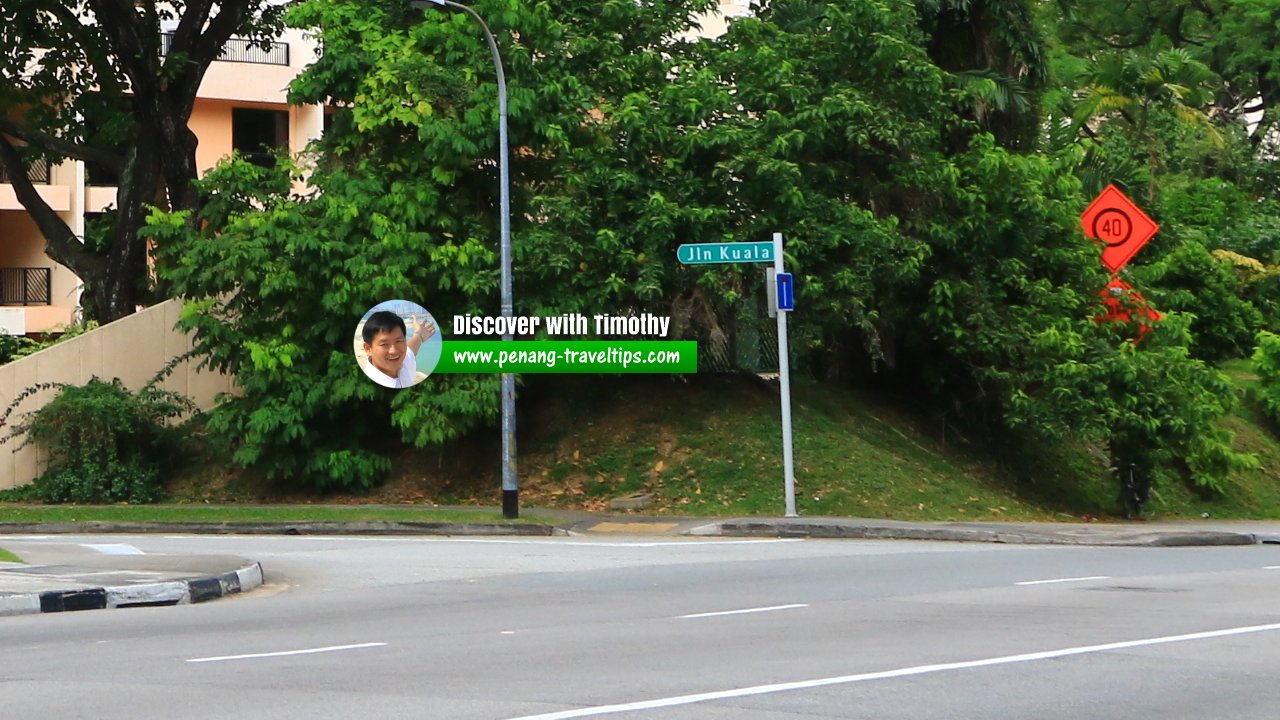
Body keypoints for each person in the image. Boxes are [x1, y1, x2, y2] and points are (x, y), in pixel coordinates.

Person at [360, 310, 437, 388]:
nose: (394, 351)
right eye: (384, 344)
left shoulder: (403, 363)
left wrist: (419, 335)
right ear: (368, 349)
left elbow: (410, 350)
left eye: (398, 341)